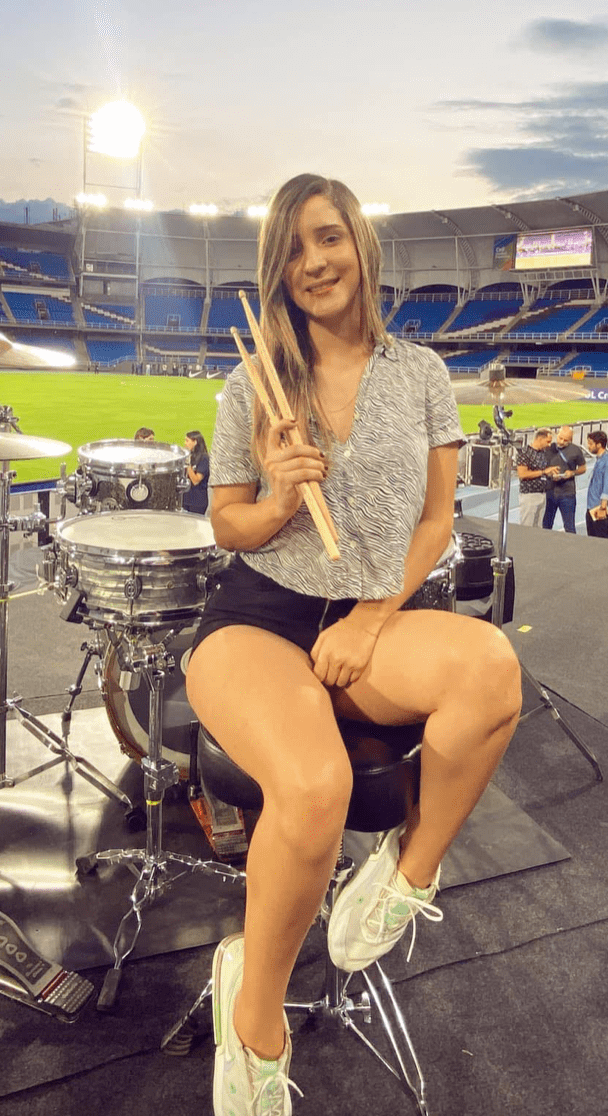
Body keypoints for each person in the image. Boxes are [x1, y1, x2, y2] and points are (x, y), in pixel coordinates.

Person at [185, 174, 521, 1116]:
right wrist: (283, 499)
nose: (313, 263)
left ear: (361, 244)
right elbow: (225, 527)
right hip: (259, 614)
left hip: (367, 613)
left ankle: (407, 877)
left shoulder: (421, 373)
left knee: (493, 670)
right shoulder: (251, 383)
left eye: (327, 238)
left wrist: (377, 613)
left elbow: (436, 520)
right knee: (316, 785)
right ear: (276, 272)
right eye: (292, 251)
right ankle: (253, 1018)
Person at [543, 424, 586, 532]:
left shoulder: (576, 450)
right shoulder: (549, 448)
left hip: (567, 493)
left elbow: (583, 468)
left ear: (570, 440)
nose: (561, 441)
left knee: (569, 527)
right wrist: (549, 473)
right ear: (557, 435)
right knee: (546, 525)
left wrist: (572, 473)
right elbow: (542, 468)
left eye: (565, 440)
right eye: (560, 438)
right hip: (550, 492)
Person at [516, 427, 557, 527]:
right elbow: (522, 474)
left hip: (542, 494)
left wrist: (550, 474)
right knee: (527, 527)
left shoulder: (543, 453)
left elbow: (542, 472)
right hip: (530, 495)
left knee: (538, 528)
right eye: (547, 441)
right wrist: (543, 472)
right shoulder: (525, 452)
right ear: (539, 439)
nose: (549, 445)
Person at [584, 430, 608, 539]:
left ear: (599, 445)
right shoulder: (600, 461)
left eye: (590, 444)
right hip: (592, 508)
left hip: (599, 510)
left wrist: (602, 508)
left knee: (604, 543)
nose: (588, 446)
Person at [183, 429, 210, 515]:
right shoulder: (191, 455)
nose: (185, 443)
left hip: (197, 502)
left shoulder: (204, 459)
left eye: (187, 441)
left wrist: (188, 464)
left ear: (195, 442)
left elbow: (196, 480)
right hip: (186, 499)